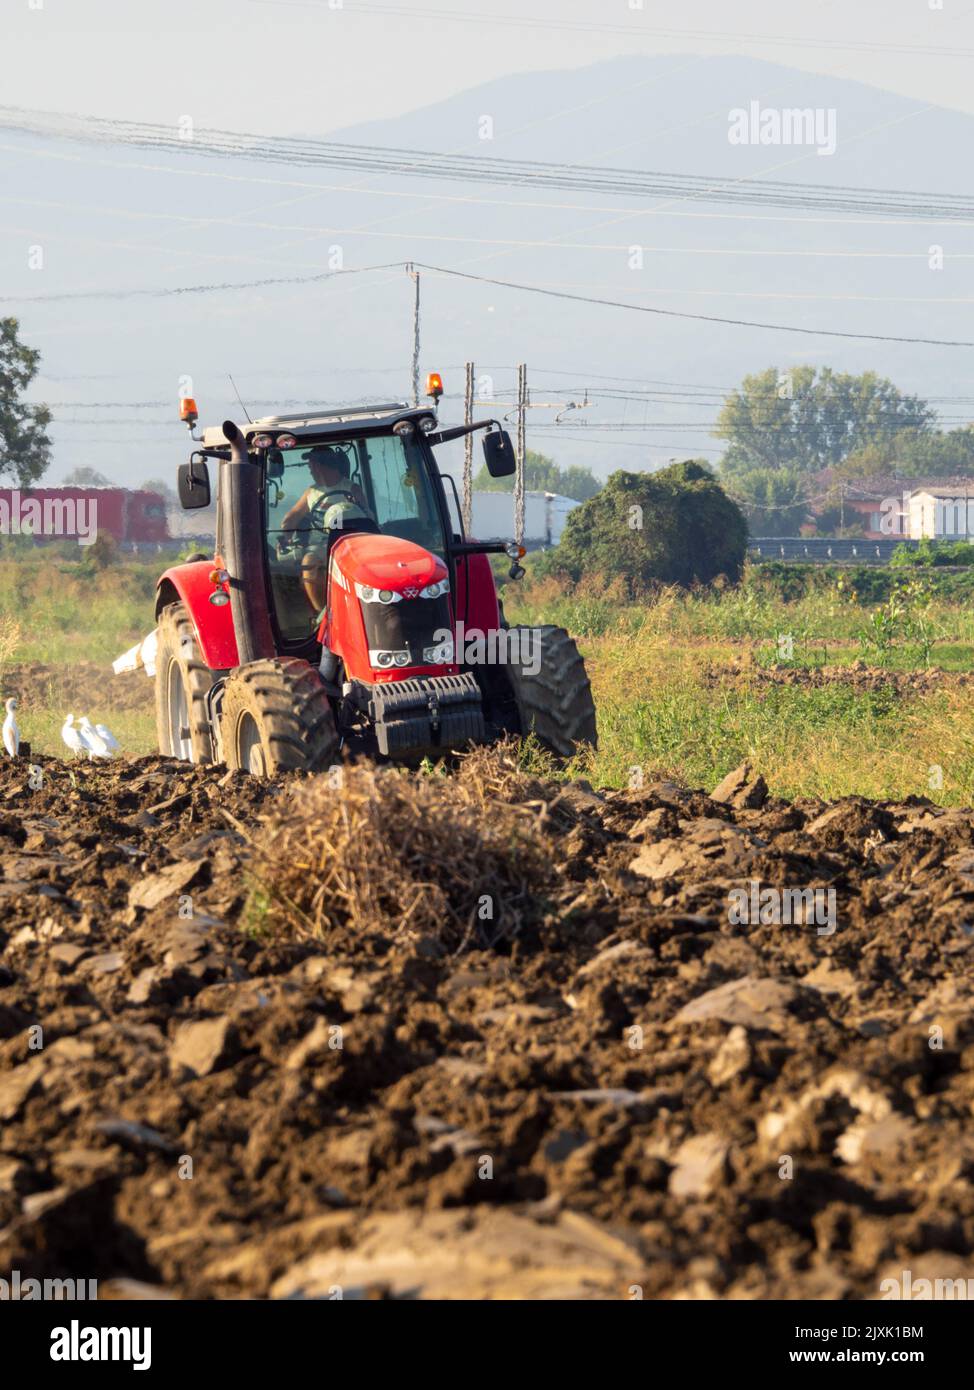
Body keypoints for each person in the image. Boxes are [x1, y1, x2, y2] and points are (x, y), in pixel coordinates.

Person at [278, 446, 374, 612]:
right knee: (309, 562)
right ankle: (322, 614)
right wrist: (285, 536)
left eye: (311, 465)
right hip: (323, 545)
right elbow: (290, 519)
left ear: (319, 466)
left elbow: (368, 517)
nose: (310, 470)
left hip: (353, 543)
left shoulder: (352, 488)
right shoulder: (311, 492)